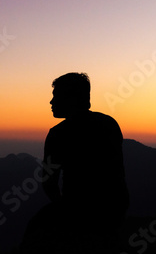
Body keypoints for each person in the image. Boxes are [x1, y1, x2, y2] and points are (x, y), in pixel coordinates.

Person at [21, 72, 129, 253]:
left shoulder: (59, 133)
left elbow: (49, 183)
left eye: (56, 96)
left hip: (79, 211)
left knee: (34, 231)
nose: (51, 102)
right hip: (116, 207)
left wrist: (65, 210)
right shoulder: (109, 124)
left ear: (71, 98)